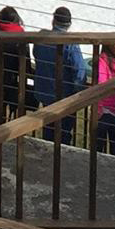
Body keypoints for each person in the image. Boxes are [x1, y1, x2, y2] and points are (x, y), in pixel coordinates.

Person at [32, 8, 87, 142]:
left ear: (53, 20)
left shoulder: (41, 38)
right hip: (65, 96)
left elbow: (36, 55)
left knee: (48, 130)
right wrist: (78, 91)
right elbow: (79, 70)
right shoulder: (71, 43)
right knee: (64, 133)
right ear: (69, 24)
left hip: (45, 93)